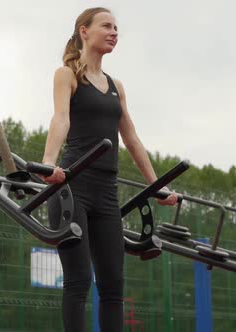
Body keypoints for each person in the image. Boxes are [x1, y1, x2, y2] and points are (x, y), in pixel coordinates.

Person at [41, 7, 179, 332]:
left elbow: (131, 138)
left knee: (113, 287)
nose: (114, 31)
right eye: (106, 25)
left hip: (106, 193)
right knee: (78, 282)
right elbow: (61, 119)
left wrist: (157, 187)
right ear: (84, 31)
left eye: (116, 27)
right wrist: (49, 163)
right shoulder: (67, 74)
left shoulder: (116, 85)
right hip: (72, 187)